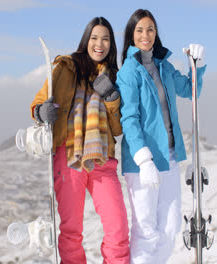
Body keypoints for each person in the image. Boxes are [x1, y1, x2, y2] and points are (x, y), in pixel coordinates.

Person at [30, 17, 130, 264]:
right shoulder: (65, 68)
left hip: (102, 159)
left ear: (111, 44)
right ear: (86, 40)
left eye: (106, 39)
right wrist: (42, 112)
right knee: (72, 232)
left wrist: (111, 96)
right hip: (69, 156)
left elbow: (117, 128)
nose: (100, 44)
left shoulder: (114, 76)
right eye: (95, 37)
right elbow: (38, 103)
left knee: (118, 230)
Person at [116, 9, 207, 264]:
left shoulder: (164, 66)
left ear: (156, 33)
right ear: (131, 36)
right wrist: (144, 160)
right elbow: (129, 119)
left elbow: (191, 91)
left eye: (150, 29)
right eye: (140, 30)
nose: (146, 35)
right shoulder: (128, 72)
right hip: (143, 161)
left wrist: (195, 65)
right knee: (146, 230)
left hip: (168, 156)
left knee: (170, 226)